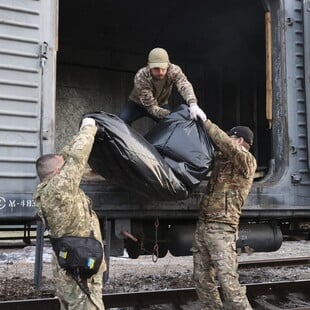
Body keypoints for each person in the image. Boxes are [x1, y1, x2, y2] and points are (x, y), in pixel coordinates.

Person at [33, 117, 106, 310]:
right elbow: (77, 157)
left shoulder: (46, 190)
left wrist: (78, 131)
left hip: (70, 266)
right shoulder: (59, 189)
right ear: (58, 171)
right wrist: (89, 128)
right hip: (81, 268)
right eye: (62, 166)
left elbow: (65, 157)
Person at [192, 121, 257, 310]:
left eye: (231, 136)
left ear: (239, 140)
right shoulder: (223, 160)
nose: (228, 139)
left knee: (229, 285)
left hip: (222, 228)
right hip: (204, 225)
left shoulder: (247, 161)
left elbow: (226, 144)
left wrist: (205, 122)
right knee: (202, 280)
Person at [119, 47, 206, 125]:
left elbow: (184, 85)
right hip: (137, 104)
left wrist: (193, 104)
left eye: (163, 68)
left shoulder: (174, 70)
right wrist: (173, 115)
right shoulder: (141, 76)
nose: (160, 72)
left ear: (168, 64)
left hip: (161, 104)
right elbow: (151, 107)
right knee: (122, 121)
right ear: (149, 66)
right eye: (156, 68)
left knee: (172, 125)